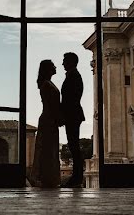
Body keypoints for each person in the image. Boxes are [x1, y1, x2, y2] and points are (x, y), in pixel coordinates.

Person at [29, 59, 61, 188]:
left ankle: (46, 178)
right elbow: (52, 105)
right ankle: (47, 178)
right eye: (53, 65)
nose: (56, 67)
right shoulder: (47, 85)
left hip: (48, 118)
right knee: (48, 149)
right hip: (49, 119)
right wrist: (59, 118)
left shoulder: (47, 84)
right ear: (48, 69)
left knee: (48, 149)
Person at [60, 51, 85, 187]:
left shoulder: (73, 76)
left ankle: (76, 179)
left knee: (74, 147)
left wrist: (63, 115)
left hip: (72, 115)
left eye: (65, 60)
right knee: (73, 146)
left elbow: (70, 99)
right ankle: (76, 178)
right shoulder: (73, 75)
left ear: (71, 62)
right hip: (73, 115)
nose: (62, 63)